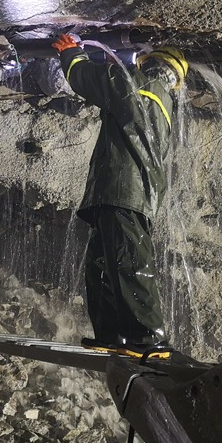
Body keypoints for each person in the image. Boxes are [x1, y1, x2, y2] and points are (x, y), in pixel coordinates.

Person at [52, 34, 188, 359]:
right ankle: (114, 335)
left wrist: (71, 53)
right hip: (120, 192)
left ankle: (148, 338)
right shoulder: (163, 102)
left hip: (126, 191)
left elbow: (86, 78)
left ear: (152, 65)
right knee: (101, 265)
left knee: (129, 263)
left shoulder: (139, 85)